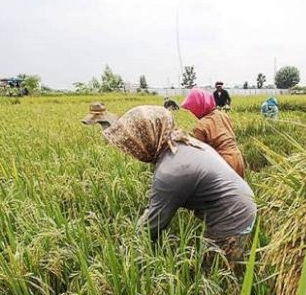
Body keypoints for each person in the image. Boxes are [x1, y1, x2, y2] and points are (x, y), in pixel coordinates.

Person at [102, 105, 257, 261]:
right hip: (242, 204)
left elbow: (153, 224)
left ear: (146, 139)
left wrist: (125, 251)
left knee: (214, 273)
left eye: (132, 144)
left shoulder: (170, 170)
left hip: (233, 217)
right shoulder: (184, 143)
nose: (131, 151)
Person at [181, 88, 246, 178]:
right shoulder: (223, 115)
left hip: (223, 163)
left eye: (193, 109)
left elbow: (200, 153)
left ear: (199, 106)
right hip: (238, 158)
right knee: (238, 190)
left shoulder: (201, 126)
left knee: (223, 191)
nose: (193, 113)